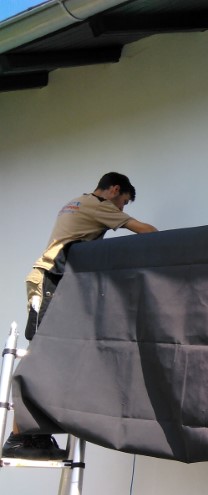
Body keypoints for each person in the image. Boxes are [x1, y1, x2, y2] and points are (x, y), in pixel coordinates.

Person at [2, 172, 158, 460]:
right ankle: (17, 437)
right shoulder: (98, 206)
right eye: (123, 202)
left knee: (53, 355)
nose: (121, 208)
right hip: (48, 280)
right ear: (114, 190)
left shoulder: (77, 202)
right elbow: (145, 231)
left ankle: (35, 435)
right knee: (40, 355)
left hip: (54, 280)